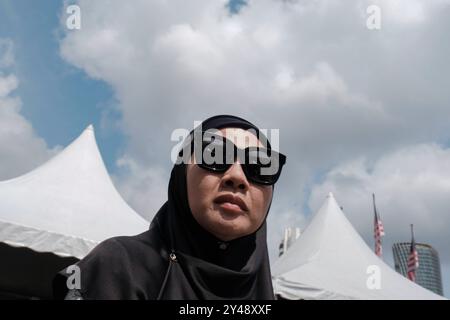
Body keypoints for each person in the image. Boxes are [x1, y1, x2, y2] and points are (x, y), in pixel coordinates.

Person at [53, 114, 287, 300]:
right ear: (181, 175)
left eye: (260, 166)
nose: (237, 176)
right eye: (215, 155)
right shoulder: (118, 266)